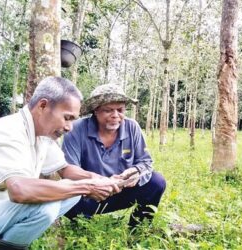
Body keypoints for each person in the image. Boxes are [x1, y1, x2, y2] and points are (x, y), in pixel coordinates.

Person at [0, 77, 120, 250]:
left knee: (73, 191)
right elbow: (20, 191)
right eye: (67, 118)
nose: (69, 127)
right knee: (42, 209)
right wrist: (88, 187)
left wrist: (102, 180)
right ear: (42, 106)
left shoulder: (41, 135)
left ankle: (4, 244)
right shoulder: (7, 132)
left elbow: (66, 170)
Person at [62, 84, 166, 228]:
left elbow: (146, 162)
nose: (115, 115)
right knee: (63, 193)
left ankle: (138, 229)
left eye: (120, 110)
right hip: (89, 193)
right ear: (95, 110)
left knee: (156, 182)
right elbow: (68, 169)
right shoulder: (77, 129)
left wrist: (136, 172)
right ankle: (81, 224)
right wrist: (99, 181)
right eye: (108, 110)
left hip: (120, 191)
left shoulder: (132, 127)